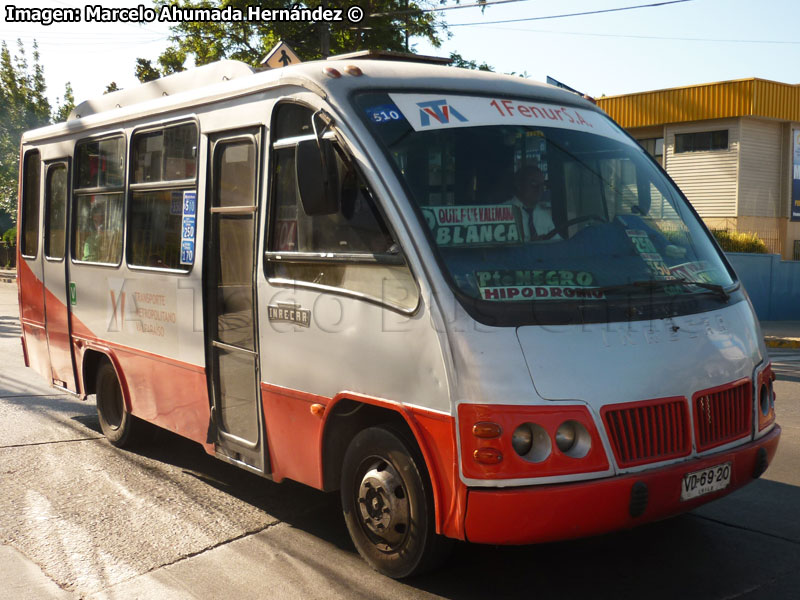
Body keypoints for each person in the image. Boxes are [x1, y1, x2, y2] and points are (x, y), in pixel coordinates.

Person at [508, 165, 561, 241]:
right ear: (519, 185)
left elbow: (558, 244)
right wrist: (531, 246)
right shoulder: (502, 212)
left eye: (542, 185)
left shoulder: (544, 216)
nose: (540, 189)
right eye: (534, 184)